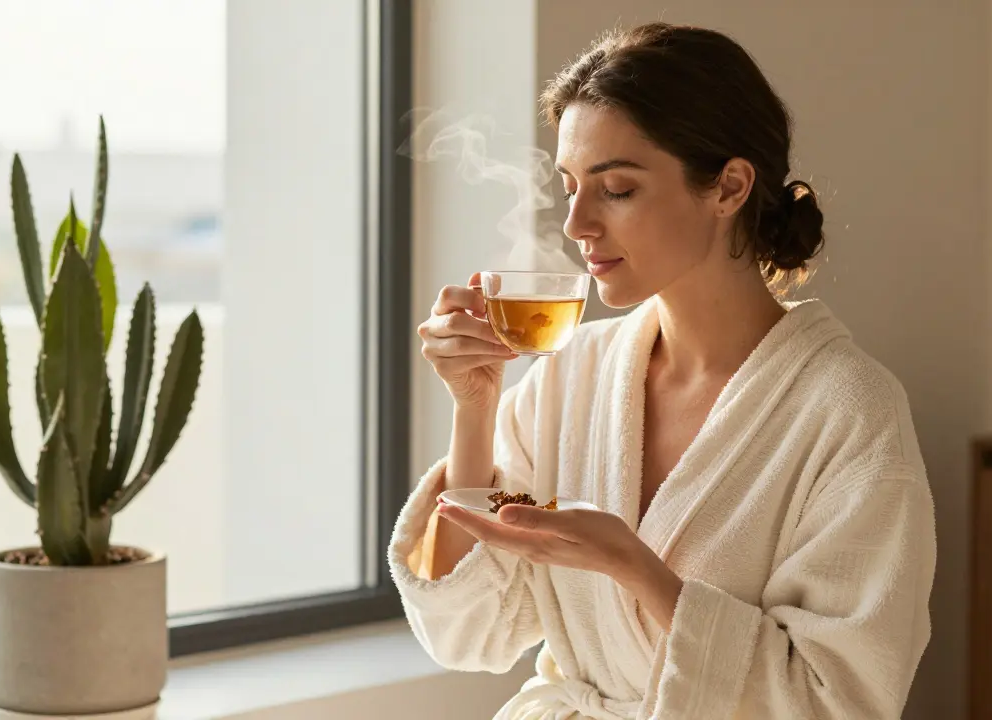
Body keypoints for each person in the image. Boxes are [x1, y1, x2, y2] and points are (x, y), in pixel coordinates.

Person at [389, 22, 935, 720]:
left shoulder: (850, 412)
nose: (577, 223)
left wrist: (634, 568)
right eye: (570, 187)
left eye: (615, 189)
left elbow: (840, 701)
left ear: (730, 186)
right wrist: (475, 408)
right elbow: (466, 631)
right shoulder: (569, 377)